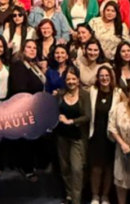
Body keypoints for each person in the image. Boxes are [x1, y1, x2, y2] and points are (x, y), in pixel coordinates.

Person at [7, 40, 47, 181]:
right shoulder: (19, 65)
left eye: (34, 48)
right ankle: (27, 168)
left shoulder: (33, 66)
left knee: (33, 139)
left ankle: (32, 165)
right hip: (24, 109)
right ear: (23, 50)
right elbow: (20, 88)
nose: (32, 50)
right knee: (26, 140)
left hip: (35, 108)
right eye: (29, 47)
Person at [54, 66, 91, 204]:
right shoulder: (60, 94)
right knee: (65, 168)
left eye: (73, 78)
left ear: (78, 80)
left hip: (78, 137)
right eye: (68, 79)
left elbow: (87, 116)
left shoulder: (84, 95)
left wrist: (71, 121)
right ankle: (69, 195)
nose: (71, 81)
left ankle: (76, 200)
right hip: (62, 137)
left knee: (77, 169)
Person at [88, 65, 120, 204]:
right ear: (98, 78)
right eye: (101, 75)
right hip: (95, 134)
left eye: (107, 75)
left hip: (111, 137)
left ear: (111, 77)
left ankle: (105, 196)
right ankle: (95, 195)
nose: (104, 78)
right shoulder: (92, 91)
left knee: (109, 167)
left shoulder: (118, 93)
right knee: (96, 168)